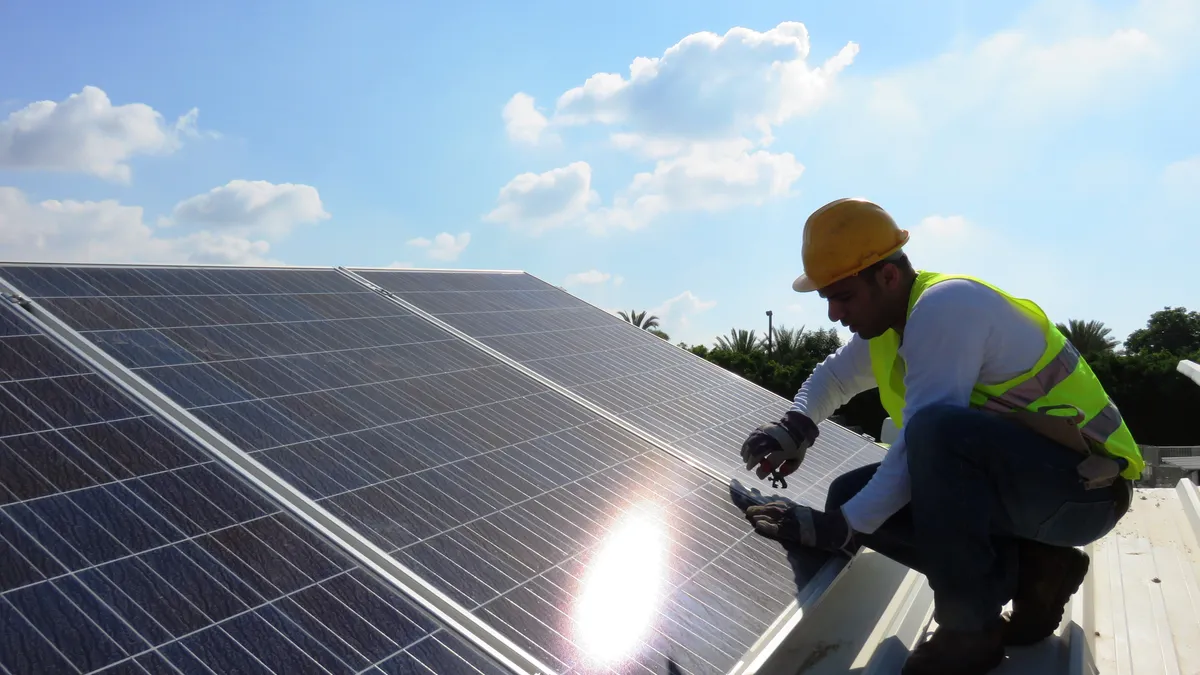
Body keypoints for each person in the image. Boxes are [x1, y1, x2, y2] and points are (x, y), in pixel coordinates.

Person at [738, 197, 1141, 675]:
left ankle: (971, 632)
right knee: (850, 494)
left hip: (1087, 493)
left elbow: (926, 438)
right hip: (1035, 491)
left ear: (887, 276)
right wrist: (796, 425)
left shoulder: (948, 306)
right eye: (827, 298)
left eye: (842, 296)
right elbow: (835, 378)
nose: (833, 313)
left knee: (930, 438)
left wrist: (841, 528)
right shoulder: (892, 324)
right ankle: (1037, 570)